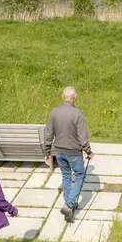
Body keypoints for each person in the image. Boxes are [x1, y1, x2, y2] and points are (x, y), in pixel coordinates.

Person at [44, 86, 92, 222]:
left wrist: (47, 152)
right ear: (75, 97)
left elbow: (48, 134)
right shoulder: (78, 114)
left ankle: (69, 206)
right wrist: (89, 151)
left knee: (66, 175)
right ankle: (69, 204)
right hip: (74, 153)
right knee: (80, 175)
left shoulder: (54, 112)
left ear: (62, 96)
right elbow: (83, 138)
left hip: (59, 152)